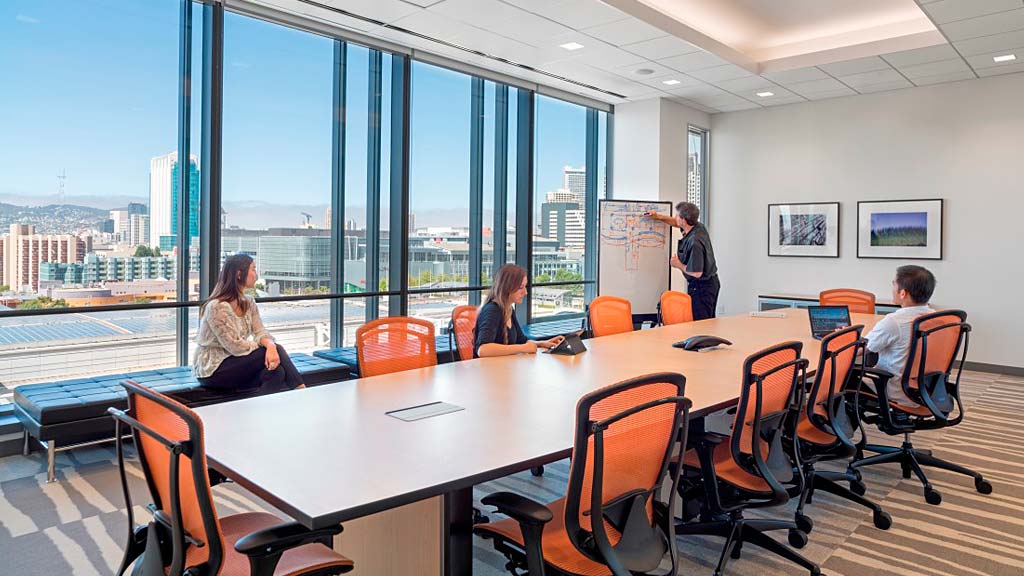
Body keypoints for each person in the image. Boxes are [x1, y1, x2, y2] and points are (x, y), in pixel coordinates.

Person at [192, 254, 305, 393]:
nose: (256, 275)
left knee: (277, 372)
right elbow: (235, 346)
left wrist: (270, 345)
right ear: (239, 274)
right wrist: (268, 347)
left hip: (238, 363)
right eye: (253, 269)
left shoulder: (249, 302)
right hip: (213, 370)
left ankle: (256, 411)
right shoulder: (217, 307)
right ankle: (302, 391)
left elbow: (260, 331)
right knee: (277, 350)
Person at [864, 265, 936, 407]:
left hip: (895, 390)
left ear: (903, 293)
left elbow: (860, 349)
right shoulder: (937, 318)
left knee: (842, 378)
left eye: (894, 284)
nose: (892, 288)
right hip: (925, 391)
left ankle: (835, 427)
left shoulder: (893, 322)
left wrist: (842, 337)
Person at [644, 201, 720, 320]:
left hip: (702, 288)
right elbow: (676, 223)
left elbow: (697, 273)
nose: (675, 218)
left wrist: (678, 264)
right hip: (708, 285)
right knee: (705, 321)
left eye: (677, 215)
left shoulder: (695, 242)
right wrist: (657, 216)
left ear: (684, 220)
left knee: (701, 323)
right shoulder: (697, 226)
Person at [475, 264, 565, 358]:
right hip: (487, 370)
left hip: (503, 367)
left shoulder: (509, 309)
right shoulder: (492, 310)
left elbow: (521, 340)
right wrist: (523, 348)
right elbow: (483, 349)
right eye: (520, 287)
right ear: (507, 287)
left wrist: (542, 343)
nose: (525, 292)